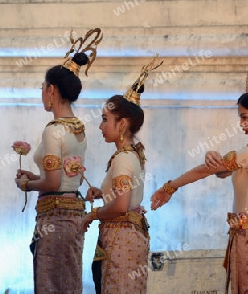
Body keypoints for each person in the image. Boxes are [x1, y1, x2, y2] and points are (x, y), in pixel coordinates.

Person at [150, 32, 248, 293]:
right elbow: (221, 172)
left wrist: (171, 186)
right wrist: (213, 157)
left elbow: (208, 170)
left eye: (245, 117)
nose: (242, 124)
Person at [14, 28, 102, 293]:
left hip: (54, 214)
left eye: (43, 87)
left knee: (50, 283)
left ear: (51, 90)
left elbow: (53, 180)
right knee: (69, 282)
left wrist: (26, 185)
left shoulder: (53, 130)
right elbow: (64, 177)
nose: (42, 92)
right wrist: (34, 177)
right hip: (73, 213)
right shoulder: (78, 128)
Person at [81, 56, 162, 293]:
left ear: (122, 124)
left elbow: (121, 206)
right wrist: (102, 192)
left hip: (122, 239)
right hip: (125, 238)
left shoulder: (124, 158)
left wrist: (92, 214)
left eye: (105, 120)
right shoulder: (129, 155)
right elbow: (123, 197)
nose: (101, 126)